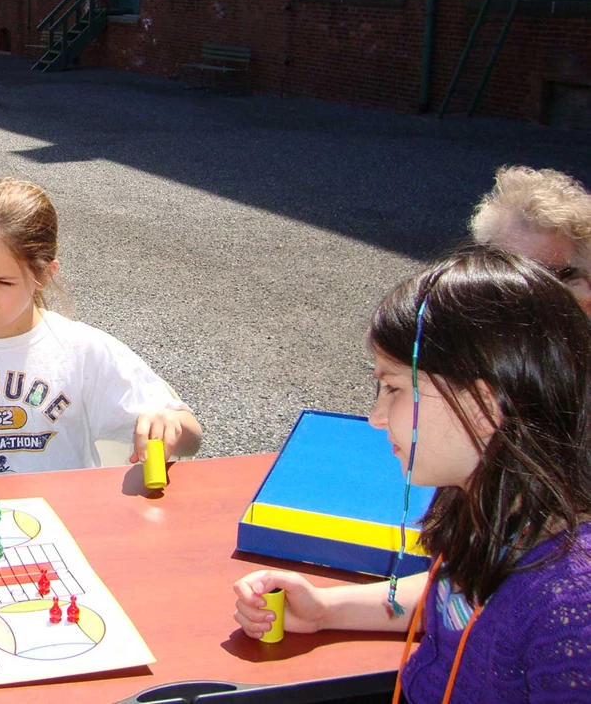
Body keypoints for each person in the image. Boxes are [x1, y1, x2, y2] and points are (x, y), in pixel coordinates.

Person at [233, 247, 591, 702]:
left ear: (483, 405)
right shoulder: (488, 506)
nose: (376, 417)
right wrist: (327, 608)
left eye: (394, 388)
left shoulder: (572, 609)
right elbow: (455, 598)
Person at [0, 178, 202, 480]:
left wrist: (168, 423)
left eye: (3, 281)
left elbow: (191, 439)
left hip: (70, 525)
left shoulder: (83, 351)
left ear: (44, 273)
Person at [469, 165, 591, 314]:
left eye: (545, 275)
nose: (519, 284)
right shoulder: (454, 309)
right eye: (505, 266)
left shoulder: (577, 312)